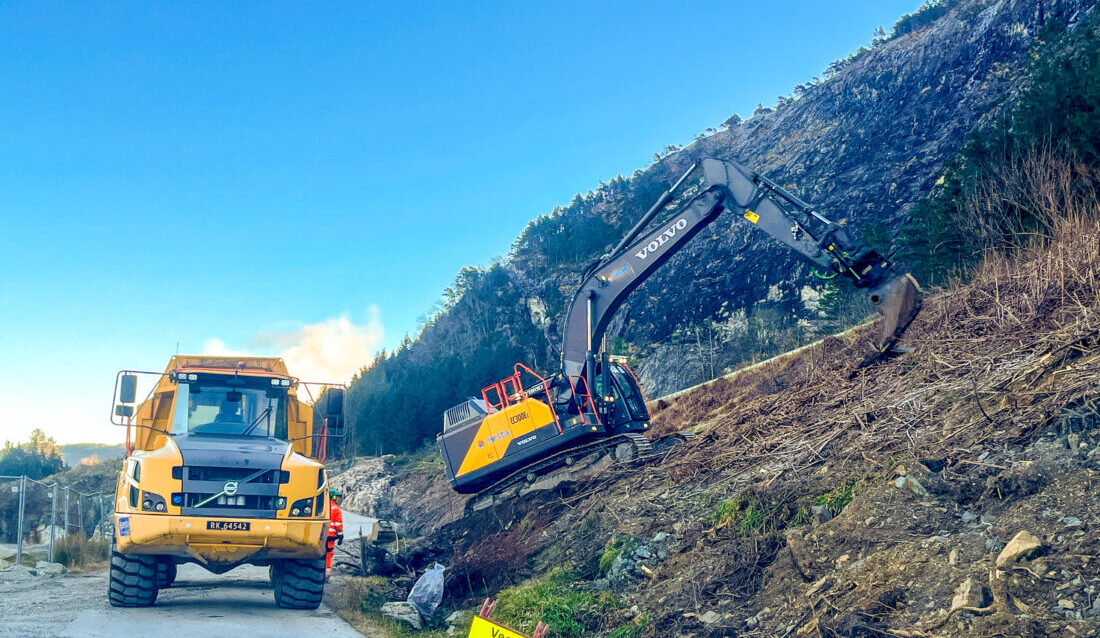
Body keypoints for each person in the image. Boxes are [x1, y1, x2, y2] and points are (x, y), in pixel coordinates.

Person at [326, 488, 344, 578]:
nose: (339, 499)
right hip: (331, 536)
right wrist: (341, 536)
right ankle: (327, 574)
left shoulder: (324, 507)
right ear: (333, 497)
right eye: (338, 497)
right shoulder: (336, 509)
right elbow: (338, 524)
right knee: (329, 554)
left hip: (321, 535)